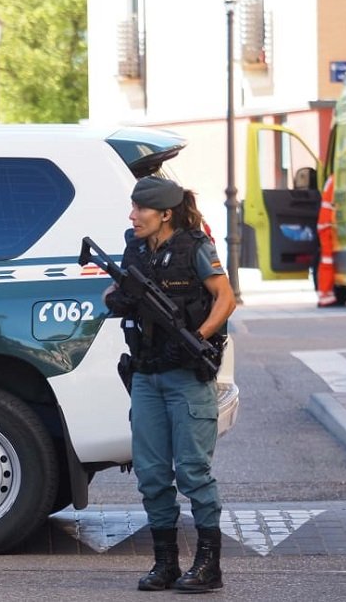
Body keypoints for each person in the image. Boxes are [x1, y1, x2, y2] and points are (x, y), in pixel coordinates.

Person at [103, 176, 236, 593]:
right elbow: (114, 290)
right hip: (146, 374)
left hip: (187, 377)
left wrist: (198, 338)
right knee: (151, 473)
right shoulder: (136, 249)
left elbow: (226, 298)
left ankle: (209, 565)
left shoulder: (196, 247)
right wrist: (116, 297)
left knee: (193, 471)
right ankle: (166, 564)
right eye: (133, 207)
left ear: (165, 214)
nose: (133, 215)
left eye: (140, 209)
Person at [316, 174, 338, 307]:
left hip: (326, 223)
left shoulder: (332, 179)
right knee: (327, 261)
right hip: (327, 225)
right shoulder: (337, 179)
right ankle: (325, 294)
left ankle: (326, 293)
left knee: (327, 260)